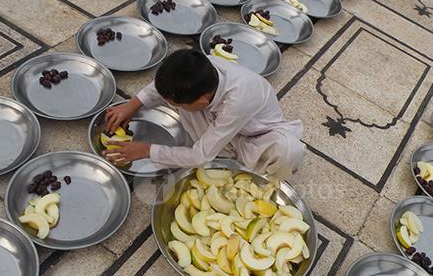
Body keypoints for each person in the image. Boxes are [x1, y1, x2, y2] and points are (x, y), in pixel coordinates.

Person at [103, 49, 305, 179]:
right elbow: (166, 85)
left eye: (175, 105)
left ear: (202, 102)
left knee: (288, 151)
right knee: (188, 114)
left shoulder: (238, 98)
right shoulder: (202, 66)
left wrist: (147, 150)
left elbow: (199, 156)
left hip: (256, 135)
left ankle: (237, 163)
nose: (172, 105)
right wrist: (132, 105)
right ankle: (221, 151)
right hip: (223, 127)